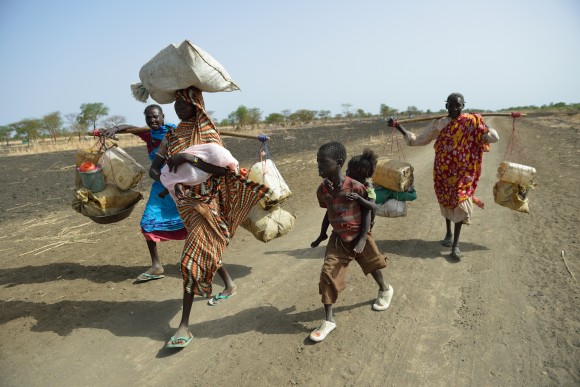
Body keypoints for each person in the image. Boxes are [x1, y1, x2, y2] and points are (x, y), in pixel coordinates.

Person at [151, 86, 270, 349]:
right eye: (177, 103)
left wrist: (188, 158)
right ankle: (228, 284)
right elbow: (154, 170)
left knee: (191, 259)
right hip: (186, 205)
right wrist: (175, 184)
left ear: (198, 105)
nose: (180, 108)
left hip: (209, 203)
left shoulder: (207, 132)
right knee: (205, 248)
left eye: (185, 103)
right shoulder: (170, 135)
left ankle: (184, 325)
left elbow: (224, 170)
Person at [102, 107, 239, 304]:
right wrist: (115, 128)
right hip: (161, 188)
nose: (152, 120)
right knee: (147, 223)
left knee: (200, 239)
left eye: (155, 116)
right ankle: (156, 266)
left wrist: (176, 182)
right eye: (148, 118)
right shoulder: (149, 135)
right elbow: (130, 129)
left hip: (182, 188)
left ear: (163, 117)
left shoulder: (174, 133)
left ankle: (228, 282)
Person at [388, 93, 499, 260]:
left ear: (463, 106)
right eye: (451, 105)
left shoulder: (472, 122)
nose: (454, 109)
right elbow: (418, 140)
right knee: (446, 199)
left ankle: (455, 245)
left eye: (458, 106)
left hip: (464, 172)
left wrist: (483, 125)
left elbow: (493, 138)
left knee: (459, 201)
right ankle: (448, 233)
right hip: (444, 169)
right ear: (446, 106)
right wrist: (398, 127)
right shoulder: (439, 124)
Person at [309, 141, 393, 343]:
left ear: (338, 163)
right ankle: (329, 320)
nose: (319, 166)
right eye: (317, 162)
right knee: (327, 274)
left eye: (323, 162)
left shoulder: (356, 186)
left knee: (372, 264)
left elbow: (367, 210)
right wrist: (322, 235)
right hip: (338, 238)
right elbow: (329, 212)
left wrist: (363, 238)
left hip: (359, 234)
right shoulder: (323, 190)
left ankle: (385, 289)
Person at [311, 148, 379, 249]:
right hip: (348, 211)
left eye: (349, 170)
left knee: (366, 210)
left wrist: (359, 198)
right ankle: (322, 234)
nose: (346, 172)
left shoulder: (368, 188)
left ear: (360, 172)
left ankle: (363, 238)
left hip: (363, 218)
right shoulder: (349, 184)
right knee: (331, 209)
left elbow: (373, 207)